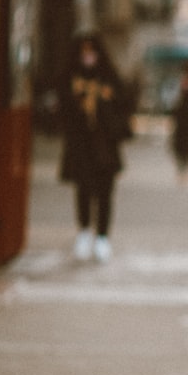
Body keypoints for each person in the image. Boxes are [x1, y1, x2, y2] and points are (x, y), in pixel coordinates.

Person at [59, 33, 131, 263]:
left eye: (92, 52)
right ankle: (83, 233)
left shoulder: (110, 81)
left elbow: (123, 108)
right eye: (84, 52)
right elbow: (62, 115)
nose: (88, 57)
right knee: (83, 191)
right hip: (81, 147)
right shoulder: (70, 81)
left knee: (105, 193)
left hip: (105, 148)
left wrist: (103, 105)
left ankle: (102, 237)